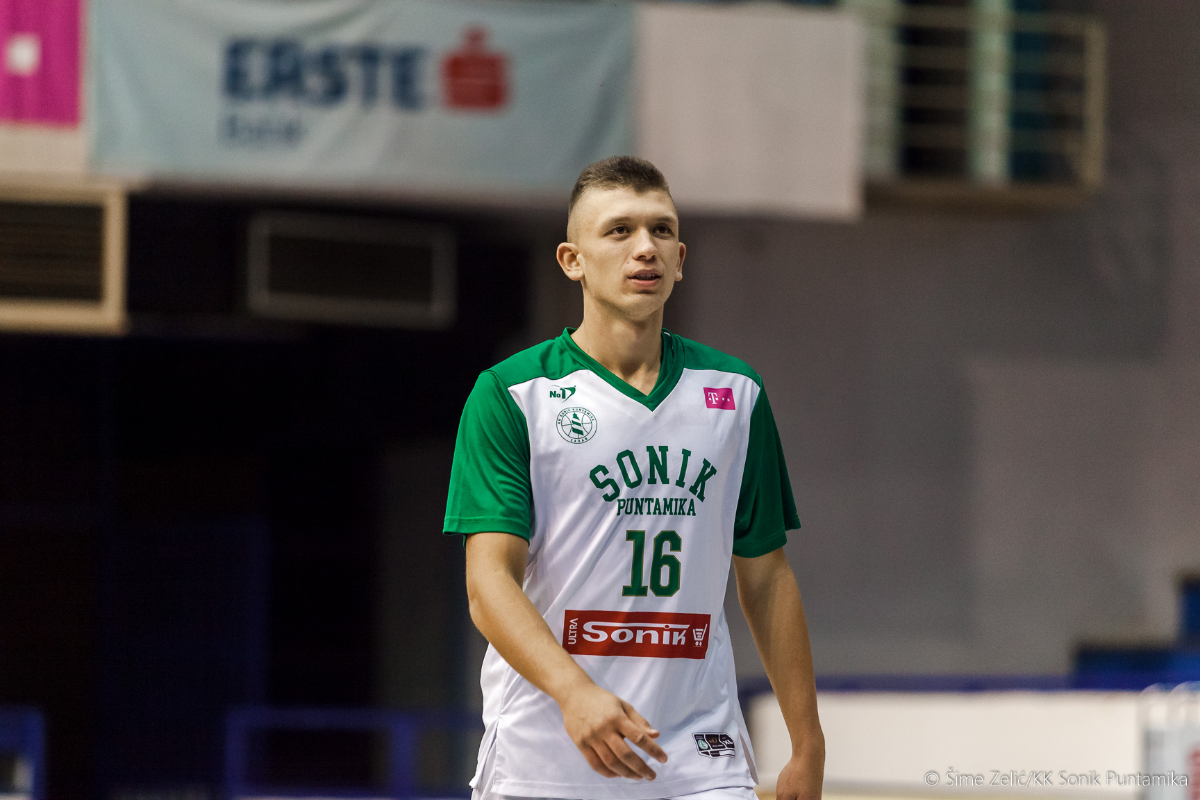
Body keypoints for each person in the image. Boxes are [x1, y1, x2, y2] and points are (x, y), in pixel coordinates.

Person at [443, 156, 824, 800]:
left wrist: (807, 742)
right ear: (572, 260)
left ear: (681, 259)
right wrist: (574, 692)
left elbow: (766, 576)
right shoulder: (511, 395)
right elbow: (488, 584)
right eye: (619, 231)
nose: (645, 248)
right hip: (548, 756)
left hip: (700, 757)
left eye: (661, 230)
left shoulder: (736, 393)